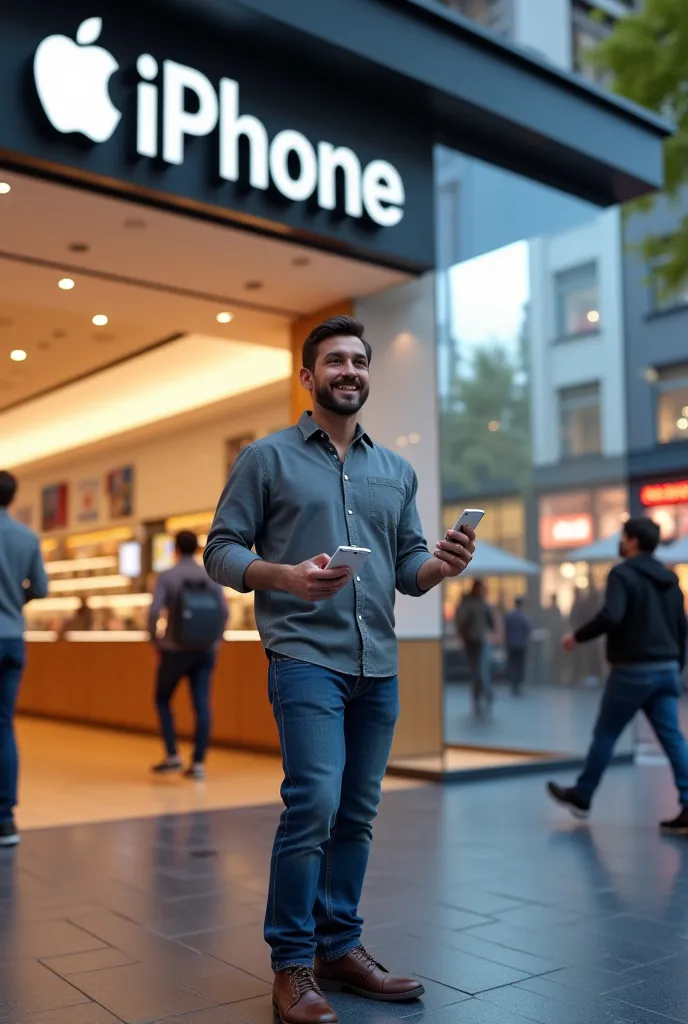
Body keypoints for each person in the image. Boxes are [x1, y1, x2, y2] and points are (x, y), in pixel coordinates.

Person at [204, 316, 475, 1024]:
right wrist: (284, 577)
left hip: (376, 664)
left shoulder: (396, 470)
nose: (349, 370)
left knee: (357, 813)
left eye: (359, 360)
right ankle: (292, 964)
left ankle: (339, 947)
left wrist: (439, 567)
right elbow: (221, 550)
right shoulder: (267, 459)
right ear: (308, 376)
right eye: (334, 361)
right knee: (315, 804)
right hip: (304, 658)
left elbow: (409, 568)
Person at [547, 516, 688, 835]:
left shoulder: (622, 574)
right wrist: (675, 666)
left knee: (607, 734)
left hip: (633, 671)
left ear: (634, 541)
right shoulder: (671, 581)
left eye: (623, 537)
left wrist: (576, 636)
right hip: (666, 669)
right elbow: (683, 630)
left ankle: (582, 796)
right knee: (673, 740)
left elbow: (612, 614)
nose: (620, 543)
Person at [148, 530, 227, 780]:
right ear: (197, 549)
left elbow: (153, 612)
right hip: (204, 650)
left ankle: (172, 755)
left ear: (176, 549)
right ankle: (199, 763)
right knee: (202, 704)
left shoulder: (168, 576)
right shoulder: (210, 575)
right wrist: (217, 639)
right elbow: (224, 611)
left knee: (162, 699)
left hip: (174, 650)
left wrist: (155, 639)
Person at [0, 470, 48, 846]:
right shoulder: (27, 537)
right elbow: (41, 588)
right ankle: (5, 820)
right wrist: (16, 602)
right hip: (14, 638)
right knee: (4, 726)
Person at [455, 579, 494, 713]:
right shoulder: (476, 604)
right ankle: (482, 692)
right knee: (478, 668)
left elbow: (490, 622)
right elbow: (490, 623)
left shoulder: (473, 604)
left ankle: (480, 692)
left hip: (476, 639)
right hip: (474, 639)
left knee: (478, 668)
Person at [504, 597, 531, 696]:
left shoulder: (509, 616)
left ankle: (513, 684)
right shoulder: (524, 617)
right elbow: (528, 630)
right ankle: (518, 685)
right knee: (520, 665)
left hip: (511, 644)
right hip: (521, 645)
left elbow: (506, 630)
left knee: (512, 664)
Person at [543, 593, 565, 685]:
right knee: (554, 658)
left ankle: (554, 677)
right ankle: (554, 677)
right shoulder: (555, 610)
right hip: (554, 636)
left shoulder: (553, 610)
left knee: (554, 658)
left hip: (554, 636)